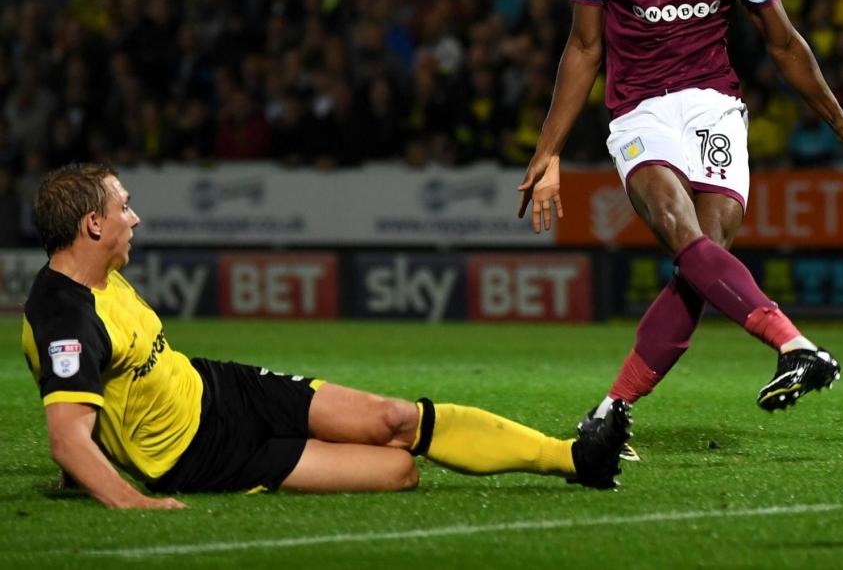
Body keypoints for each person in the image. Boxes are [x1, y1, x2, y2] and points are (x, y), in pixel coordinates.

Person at [517, 0, 843, 444]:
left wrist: (839, 120)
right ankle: (794, 343)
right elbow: (583, 50)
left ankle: (612, 410)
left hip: (715, 107)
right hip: (640, 111)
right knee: (678, 228)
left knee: (702, 262)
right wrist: (548, 153)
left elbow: (785, 44)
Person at [21, 163, 630, 509]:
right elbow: (68, 437)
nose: (135, 218)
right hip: (210, 456)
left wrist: (86, 474)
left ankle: (573, 458)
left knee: (394, 419)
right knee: (399, 472)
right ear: (92, 224)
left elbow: (88, 399)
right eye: (123, 208)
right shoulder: (65, 317)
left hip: (221, 388)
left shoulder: (99, 279)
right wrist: (132, 502)